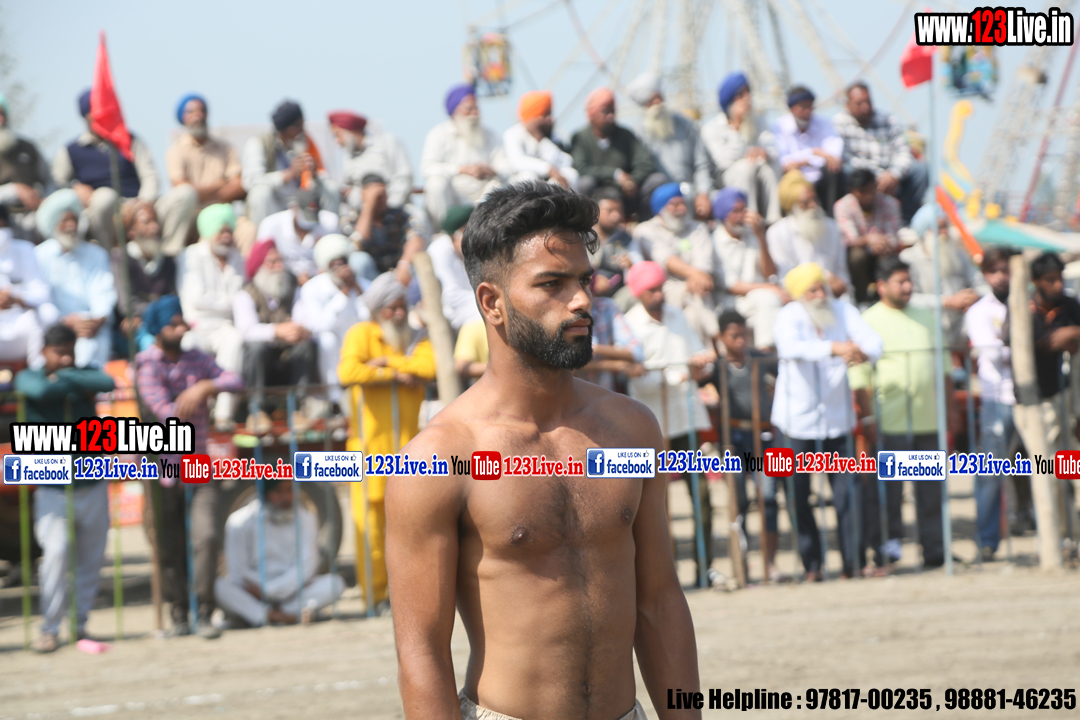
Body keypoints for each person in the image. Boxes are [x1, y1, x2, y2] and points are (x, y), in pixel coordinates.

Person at [386, 182, 699, 720]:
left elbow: (659, 600)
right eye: (552, 284)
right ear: (492, 303)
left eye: (584, 280)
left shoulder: (631, 429)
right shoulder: (439, 457)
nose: (581, 301)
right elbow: (421, 652)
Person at [136, 295, 244, 638]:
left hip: (198, 463)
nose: (181, 329)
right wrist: (197, 400)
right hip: (162, 466)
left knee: (207, 536)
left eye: (182, 322)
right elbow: (167, 414)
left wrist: (204, 387)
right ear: (157, 329)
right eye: (173, 324)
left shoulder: (197, 358)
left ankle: (205, 609)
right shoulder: (146, 364)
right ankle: (180, 612)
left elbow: (235, 380)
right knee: (169, 544)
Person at [771, 262, 882, 580]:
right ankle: (812, 564)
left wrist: (861, 352)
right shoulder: (789, 316)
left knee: (849, 493)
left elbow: (874, 342)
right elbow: (790, 348)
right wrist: (833, 348)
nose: (821, 295)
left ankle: (853, 563)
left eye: (823, 288)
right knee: (796, 495)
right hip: (792, 422)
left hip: (837, 419)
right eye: (813, 290)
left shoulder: (842, 310)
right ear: (799, 295)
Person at [338, 272, 436, 613]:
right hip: (368, 451)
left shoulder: (417, 336)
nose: (398, 313)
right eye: (391, 307)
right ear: (377, 310)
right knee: (371, 528)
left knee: (413, 528)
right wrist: (395, 374)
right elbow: (348, 372)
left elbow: (430, 366)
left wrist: (386, 362)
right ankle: (376, 597)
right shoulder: (361, 333)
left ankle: (410, 596)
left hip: (409, 450)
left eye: (402, 306)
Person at [850, 257, 954, 569]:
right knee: (889, 493)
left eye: (909, 281)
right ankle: (888, 549)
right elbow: (860, 378)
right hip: (890, 423)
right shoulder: (868, 320)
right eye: (901, 282)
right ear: (882, 286)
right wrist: (868, 418)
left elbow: (944, 368)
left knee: (930, 491)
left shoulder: (926, 316)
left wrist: (951, 409)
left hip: (927, 420)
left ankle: (934, 549)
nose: (908, 287)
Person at [16, 324, 115, 652]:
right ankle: (49, 628)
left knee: (91, 559)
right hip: (52, 486)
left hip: (92, 481)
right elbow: (39, 390)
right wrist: (74, 383)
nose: (66, 358)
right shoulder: (28, 376)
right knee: (56, 554)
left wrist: (66, 377)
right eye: (59, 353)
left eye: (70, 352)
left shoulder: (83, 371)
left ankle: (80, 625)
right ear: (43, 351)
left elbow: (106, 382)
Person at [623, 260, 716, 582]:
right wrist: (680, 373)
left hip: (686, 418)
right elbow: (638, 379)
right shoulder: (630, 324)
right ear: (638, 292)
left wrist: (700, 366)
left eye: (660, 287)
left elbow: (699, 359)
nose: (659, 294)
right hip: (651, 427)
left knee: (702, 497)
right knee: (656, 507)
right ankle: (662, 576)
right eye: (652, 289)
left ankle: (705, 568)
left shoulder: (677, 315)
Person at [53, 90, 197, 252]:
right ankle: (106, 255)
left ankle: (169, 255)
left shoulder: (131, 140)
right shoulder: (71, 150)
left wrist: (143, 203)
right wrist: (74, 188)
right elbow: (57, 184)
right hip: (106, 212)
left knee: (185, 193)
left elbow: (149, 175)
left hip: (141, 204)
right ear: (87, 116)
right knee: (104, 198)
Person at [215, 479, 345, 627]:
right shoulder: (239, 522)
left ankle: (264, 616)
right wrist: (262, 590)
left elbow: (306, 566)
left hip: (292, 591)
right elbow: (238, 572)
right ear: (265, 492)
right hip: (254, 593)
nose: (286, 497)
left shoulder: (306, 518)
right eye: (278, 491)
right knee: (219, 587)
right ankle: (283, 616)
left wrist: (270, 591)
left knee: (335, 584)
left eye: (290, 490)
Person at [714, 311, 781, 580]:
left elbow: (787, 369)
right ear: (721, 337)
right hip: (733, 440)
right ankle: (742, 564)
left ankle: (770, 563)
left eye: (744, 335)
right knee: (738, 501)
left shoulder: (760, 359)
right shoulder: (718, 365)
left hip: (763, 439)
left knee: (769, 498)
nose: (741, 341)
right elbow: (695, 377)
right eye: (734, 336)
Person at [964, 248, 1017, 561]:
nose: (1001, 277)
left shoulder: (1028, 302)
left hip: (1034, 398)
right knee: (990, 471)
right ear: (985, 275)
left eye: (1006, 269)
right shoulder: (979, 311)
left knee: (1046, 466)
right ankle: (987, 540)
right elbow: (994, 354)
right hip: (998, 398)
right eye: (994, 270)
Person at [233, 239, 318, 433]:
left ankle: (297, 409)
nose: (279, 266)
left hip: (288, 359)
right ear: (259, 266)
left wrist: (300, 330)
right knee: (256, 347)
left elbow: (307, 320)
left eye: (280, 261)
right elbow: (246, 331)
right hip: (261, 365)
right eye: (272, 262)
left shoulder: (293, 290)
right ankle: (257, 411)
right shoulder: (245, 294)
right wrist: (277, 330)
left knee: (306, 345)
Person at [177, 204, 244, 430]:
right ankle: (194, 415)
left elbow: (240, 296)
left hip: (225, 326)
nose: (226, 236)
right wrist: (229, 302)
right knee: (187, 345)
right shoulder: (190, 255)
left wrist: (225, 304)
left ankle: (223, 415)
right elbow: (197, 298)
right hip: (195, 325)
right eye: (221, 231)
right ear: (208, 231)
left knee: (235, 340)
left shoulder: (237, 258)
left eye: (229, 231)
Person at [34, 189, 116, 369]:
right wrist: (65, 321)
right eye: (65, 220)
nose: (71, 225)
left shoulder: (96, 254)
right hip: (55, 325)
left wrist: (96, 320)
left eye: (74, 219)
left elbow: (103, 292)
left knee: (94, 350)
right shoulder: (39, 255)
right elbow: (40, 297)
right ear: (53, 223)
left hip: (91, 326)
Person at [633, 182, 722, 345]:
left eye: (682, 203)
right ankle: (719, 338)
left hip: (698, 288)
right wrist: (696, 275)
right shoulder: (645, 230)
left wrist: (697, 276)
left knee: (692, 314)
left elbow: (704, 264)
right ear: (661, 208)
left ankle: (704, 353)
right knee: (695, 292)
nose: (681, 208)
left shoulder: (698, 227)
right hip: (664, 288)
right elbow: (667, 261)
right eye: (674, 204)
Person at [834, 81, 928, 224]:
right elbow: (844, 157)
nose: (865, 107)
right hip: (862, 178)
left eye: (868, 102)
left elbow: (903, 151)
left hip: (891, 177)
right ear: (847, 104)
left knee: (921, 169)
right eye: (859, 103)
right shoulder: (839, 123)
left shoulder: (888, 120)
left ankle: (905, 220)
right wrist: (875, 178)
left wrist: (894, 174)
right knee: (845, 171)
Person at [294, 233, 371, 405]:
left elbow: (370, 319)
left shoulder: (364, 284)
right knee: (327, 339)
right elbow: (320, 325)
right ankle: (335, 398)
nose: (340, 268)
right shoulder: (312, 287)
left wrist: (356, 288)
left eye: (342, 262)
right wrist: (343, 293)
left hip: (360, 341)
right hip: (332, 346)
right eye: (334, 264)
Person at [625, 72, 714, 218]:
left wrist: (703, 193)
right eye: (652, 101)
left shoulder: (685, 124)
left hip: (691, 191)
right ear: (644, 105)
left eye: (659, 98)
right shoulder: (637, 134)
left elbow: (702, 164)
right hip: (660, 197)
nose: (658, 104)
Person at [570, 87, 667, 217]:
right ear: (592, 115)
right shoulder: (580, 138)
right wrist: (616, 175)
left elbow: (645, 163)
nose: (610, 116)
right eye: (605, 112)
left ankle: (644, 222)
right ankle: (589, 223)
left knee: (658, 180)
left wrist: (632, 180)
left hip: (628, 193)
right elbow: (582, 167)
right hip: (601, 193)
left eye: (613, 112)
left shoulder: (626, 135)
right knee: (585, 182)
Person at [165, 93, 245, 253]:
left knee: (247, 229)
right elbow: (182, 188)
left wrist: (203, 194)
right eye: (191, 112)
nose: (198, 116)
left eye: (202, 110)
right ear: (183, 118)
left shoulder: (225, 148)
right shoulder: (176, 151)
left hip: (223, 213)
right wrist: (222, 185)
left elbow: (238, 185)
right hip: (194, 215)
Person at [420, 84, 509, 226]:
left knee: (501, 185)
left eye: (476, 108)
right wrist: (462, 170)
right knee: (435, 184)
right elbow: (428, 168)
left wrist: (490, 169)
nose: (475, 113)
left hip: (483, 191)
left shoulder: (490, 134)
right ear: (455, 111)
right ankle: (445, 229)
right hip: (454, 193)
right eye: (469, 108)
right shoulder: (438, 135)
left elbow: (505, 166)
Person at [901, 203, 985, 349]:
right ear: (924, 232)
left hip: (962, 332)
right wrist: (947, 301)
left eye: (946, 226)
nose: (944, 232)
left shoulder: (959, 255)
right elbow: (909, 299)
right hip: (927, 334)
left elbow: (981, 284)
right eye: (938, 228)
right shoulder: (909, 259)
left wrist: (974, 296)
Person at [700, 72, 781, 224]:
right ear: (730, 100)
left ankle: (773, 220)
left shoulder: (758, 120)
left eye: (748, 92)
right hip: (728, 177)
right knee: (746, 167)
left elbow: (773, 147)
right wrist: (737, 126)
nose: (747, 98)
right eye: (741, 95)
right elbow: (723, 161)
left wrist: (764, 152)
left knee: (770, 169)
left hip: (757, 170)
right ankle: (749, 219)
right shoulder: (711, 129)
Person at [711, 188, 786, 349]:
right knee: (767, 298)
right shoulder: (715, 241)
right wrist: (771, 289)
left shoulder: (753, 233)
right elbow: (732, 285)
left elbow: (770, 272)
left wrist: (761, 236)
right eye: (735, 211)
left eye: (743, 210)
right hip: (730, 301)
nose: (741, 216)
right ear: (724, 214)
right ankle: (766, 353)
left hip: (758, 294)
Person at [242, 100, 335, 227]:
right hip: (273, 205)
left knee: (330, 188)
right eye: (300, 125)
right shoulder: (258, 144)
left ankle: (328, 233)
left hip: (298, 203)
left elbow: (315, 179)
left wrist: (314, 175)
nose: (303, 130)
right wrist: (288, 174)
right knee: (259, 193)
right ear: (291, 129)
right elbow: (251, 181)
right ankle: (265, 238)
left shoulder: (301, 144)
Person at [767, 171, 850, 298]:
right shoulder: (777, 233)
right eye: (805, 203)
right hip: (799, 298)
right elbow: (783, 278)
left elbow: (842, 272)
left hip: (833, 297)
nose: (813, 205)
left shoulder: (832, 227)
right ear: (792, 207)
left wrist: (839, 284)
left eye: (815, 199)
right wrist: (822, 278)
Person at [112, 201, 177, 355]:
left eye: (155, 221)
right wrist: (156, 311)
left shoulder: (167, 260)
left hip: (165, 322)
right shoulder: (121, 257)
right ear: (131, 231)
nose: (154, 227)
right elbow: (126, 303)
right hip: (136, 326)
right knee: (151, 347)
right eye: (146, 222)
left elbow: (172, 298)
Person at [834, 168, 902, 305]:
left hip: (883, 251)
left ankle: (886, 298)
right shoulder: (842, 206)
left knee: (889, 258)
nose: (868, 195)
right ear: (852, 191)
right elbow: (849, 239)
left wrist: (882, 243)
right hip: (860, 257)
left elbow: (894, 237)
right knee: (857, 256)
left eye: (871, 190)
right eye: (862, 191)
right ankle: (861, 298)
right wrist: (868, 240)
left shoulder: (890, 203)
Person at [773, 85, 843, 213]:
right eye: (803, 107)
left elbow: (834, 154)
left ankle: (831, 216)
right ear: (791, 108)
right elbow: (785, 164)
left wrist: (803, 160)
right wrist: (814, 153)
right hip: (796, 182)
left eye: (810, 106)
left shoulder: (824, 123)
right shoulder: (779, 127)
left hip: (821, 179)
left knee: (835, 171)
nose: (808, 111)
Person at [347, 174, 427, 286]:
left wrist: (404, 265)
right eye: (376, 196)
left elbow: (417, 237)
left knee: (421, 257)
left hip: (400, 272)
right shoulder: (352, 217)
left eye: (383, 195)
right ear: (363, 194)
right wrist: (369, 205)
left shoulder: (399, 214)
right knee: (358, 260)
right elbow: (356, 243)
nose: (380, 199)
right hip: (372, 279)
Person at [330, 109, 414, 211]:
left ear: (351, 131)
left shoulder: (387, 142)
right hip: (362, 213)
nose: (337, 141)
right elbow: (347, 189)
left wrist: (389, 207)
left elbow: (404, 176)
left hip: (397, 210)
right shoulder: (347, 157)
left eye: (337, 135)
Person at [254, 189, 339, 283]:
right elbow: (261, 261)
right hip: (284, 282)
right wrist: (293, 280)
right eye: (306, 215)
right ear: (294, 208)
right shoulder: (271, 225)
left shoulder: (330, 223)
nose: (309, 222)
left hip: (320, 281)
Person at [0, 205, 50, 365]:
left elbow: (42, 294)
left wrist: (16, 298)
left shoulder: (25, 249)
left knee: (48, 313)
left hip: (20, 323)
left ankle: (38, 371)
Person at [503, 90, 579, 190]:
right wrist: (548, 169)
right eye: (545, 115)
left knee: (571, 174)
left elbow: (566, 162)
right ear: (533, 118)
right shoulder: (513, 134)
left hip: (550, 181)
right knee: (527, 176)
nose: (550, 119)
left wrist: (541, 139)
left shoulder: (554, 135)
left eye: (550, 114)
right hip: (526, 180)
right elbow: (517, 162)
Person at [0, 90, 50, 241]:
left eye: (2, 114)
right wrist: (15, 190)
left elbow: (49, 180)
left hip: (36, 216)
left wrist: (46, 199)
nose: (1, 120)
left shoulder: (27, 148)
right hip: (5, 223)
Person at [427, 204, 482, 330]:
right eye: (467, 231)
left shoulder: (473, 247)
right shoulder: (439, 250)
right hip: (457, 313)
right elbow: (452, 297)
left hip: (476, 302)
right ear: (454, 236)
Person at [588, 188, 642, 299]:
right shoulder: (581, 236)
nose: (616, 216)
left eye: (619, 211)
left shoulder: (627, 238)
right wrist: (593, 280)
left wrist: (630, 267)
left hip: (616, 296)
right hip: (585, 289)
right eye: (610, 211)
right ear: (595, 211)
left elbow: (638, 268)